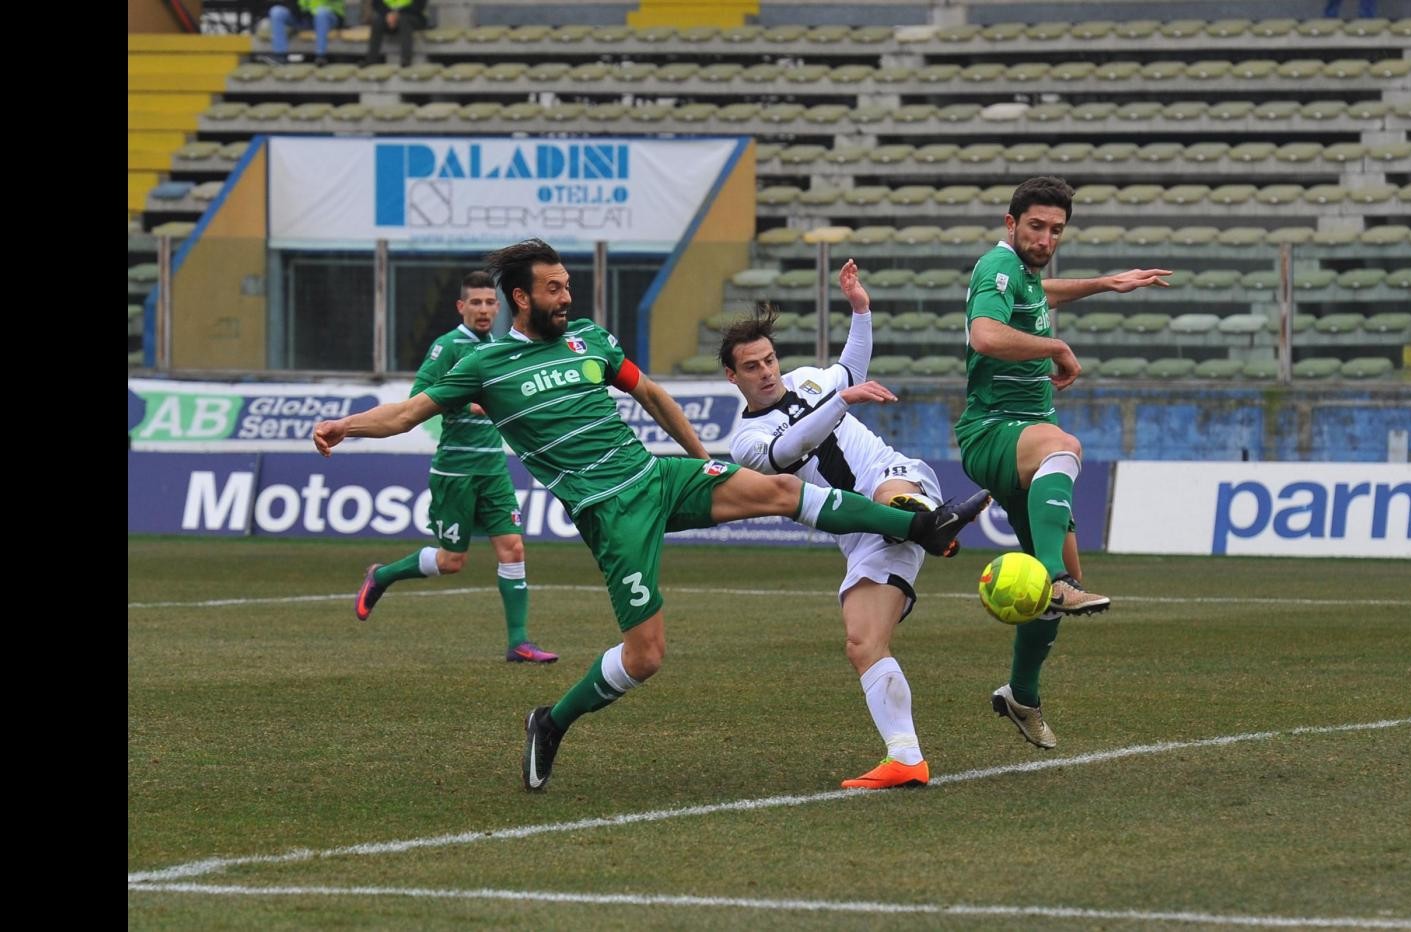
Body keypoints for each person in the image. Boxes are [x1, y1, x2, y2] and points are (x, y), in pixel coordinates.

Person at [313, 239, 990, 792]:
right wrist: (347, 425)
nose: (567, 296)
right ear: (522, 297)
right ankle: (550, 721)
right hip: (610, 514)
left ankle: (925, 526)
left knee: (779, 493)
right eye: (554, 288)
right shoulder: (483, 365)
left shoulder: (587, 340)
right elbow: (405, 412)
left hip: (658, 477)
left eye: (568, 285)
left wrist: (702, 463)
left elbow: (653, 394)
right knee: (647, 655)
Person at [955, 176, 1171, 749]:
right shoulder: (995, 268)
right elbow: (984, 335)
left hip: (1017, 435)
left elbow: (1042, 295)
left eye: (1056, 230)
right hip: (993, 430)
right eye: (1036, 227)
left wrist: (1106, 283)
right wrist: (1055, 347)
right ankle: (1051, 579)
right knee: (1064, 446)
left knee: (1064, 570)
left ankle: (1020, 695)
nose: (1046, 239)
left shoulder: (1024, 276)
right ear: (1010, 224)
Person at [723, 260, 944, 790]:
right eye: (752, 367)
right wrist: (841, 400)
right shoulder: (745, 443)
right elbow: (789, 448)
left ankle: (924, 522)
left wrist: (860, 309)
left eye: (770, 359)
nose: (768, 371)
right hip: (861, 536)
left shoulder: (806, 380)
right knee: (862, 642)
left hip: (896, 479)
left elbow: (851, 370)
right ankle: (906, 758)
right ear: (732, 377)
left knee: (891, 495)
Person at [352, 271, 558, 664]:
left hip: (493, 466)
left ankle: (519, 642)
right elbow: (418, 398)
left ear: (499, 307)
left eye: (489, 302)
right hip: (456, 469)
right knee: (452, 561)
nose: (483, 310)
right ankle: (382, 576)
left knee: (513, 549)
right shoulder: (447, 347)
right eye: (475, 303)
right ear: (461, 307)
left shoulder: (501, 347)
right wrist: (467, 402)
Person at [264, 0, 345, 65]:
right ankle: (280, 56)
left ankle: (321, 56)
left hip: (328, 17)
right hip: (303, 18)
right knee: (276, 12)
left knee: (321, 13)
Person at [366, 0, 428, 69]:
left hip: (414, 16)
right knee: (377, 22)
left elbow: (419, 6)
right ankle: (371, 61)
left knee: (404, 20)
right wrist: (388, 14)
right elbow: (376, 3)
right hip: (389, 16)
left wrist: (397, 14)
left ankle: (406, 60)